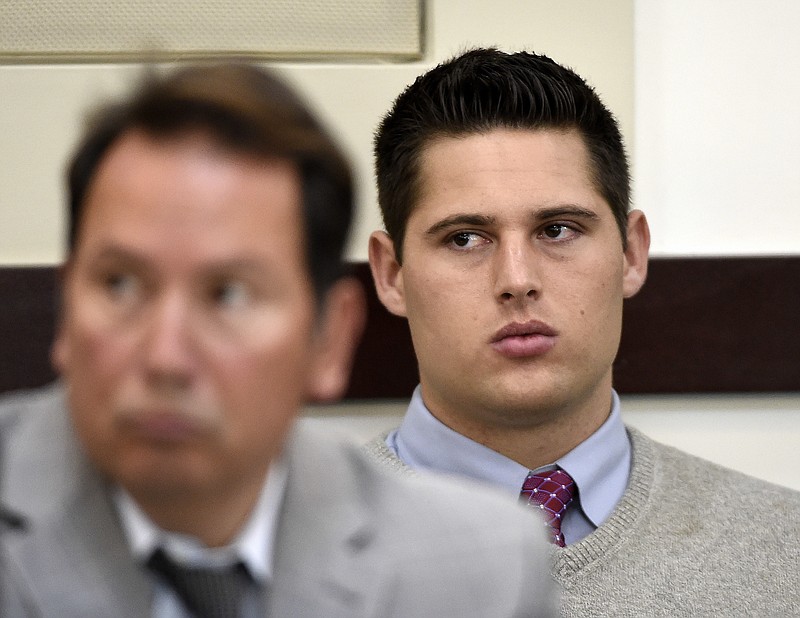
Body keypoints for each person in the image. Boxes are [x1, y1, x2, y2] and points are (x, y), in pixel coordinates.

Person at [0, 62, 559, 617]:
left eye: (229, 295)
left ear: (329, 340)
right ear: (65, 307)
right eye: (120, 284)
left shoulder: (480, 575)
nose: (165, 356)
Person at [366, 48, 800, 616]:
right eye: (465, 238)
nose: (517, 281)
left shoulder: (782, 553)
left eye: (558, 229)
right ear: (392, 274)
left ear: (630, 253)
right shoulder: (269, 561)